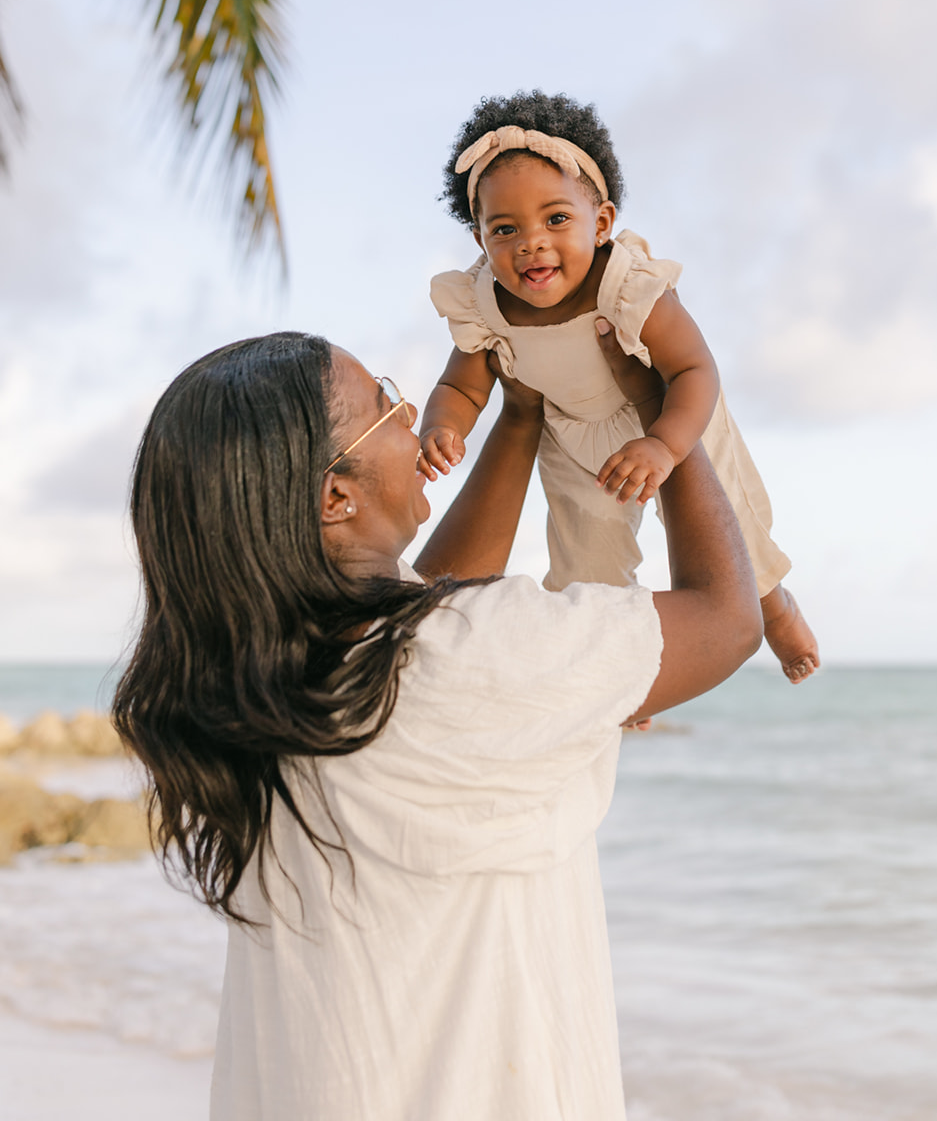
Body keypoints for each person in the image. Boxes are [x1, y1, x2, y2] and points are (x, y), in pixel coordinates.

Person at [113, 326, 761, 1121]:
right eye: (386, 405)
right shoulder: (459, 660)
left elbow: (431, 601)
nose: (413, 410)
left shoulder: (261, 687)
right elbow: (724, 622)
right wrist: (662, 412)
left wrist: (519, 416)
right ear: (332, 497)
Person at [421, 89, 819, 683]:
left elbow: (694, 369)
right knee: (585, 556)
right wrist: (442, 426)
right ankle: (611, 670)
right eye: (504, 228)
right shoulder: (486, 305)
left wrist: (664, 445)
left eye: (556, 218)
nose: (531, 241)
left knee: (729, 527)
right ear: (480, 240)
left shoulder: (626, 285)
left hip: (669, 417)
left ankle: (773, 606)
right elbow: (463, 384)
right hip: (568, 434)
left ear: (602, 222)